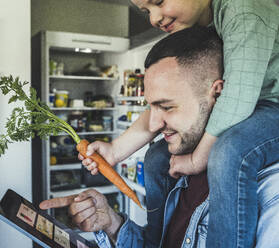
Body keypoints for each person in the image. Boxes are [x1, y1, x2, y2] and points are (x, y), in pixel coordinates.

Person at [40, 26, 279, 248]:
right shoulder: (170, 166)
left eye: (167, 106)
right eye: (150, 107)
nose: (153, 124)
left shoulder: (268, 193)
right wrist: (110, 223)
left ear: (218, 93)